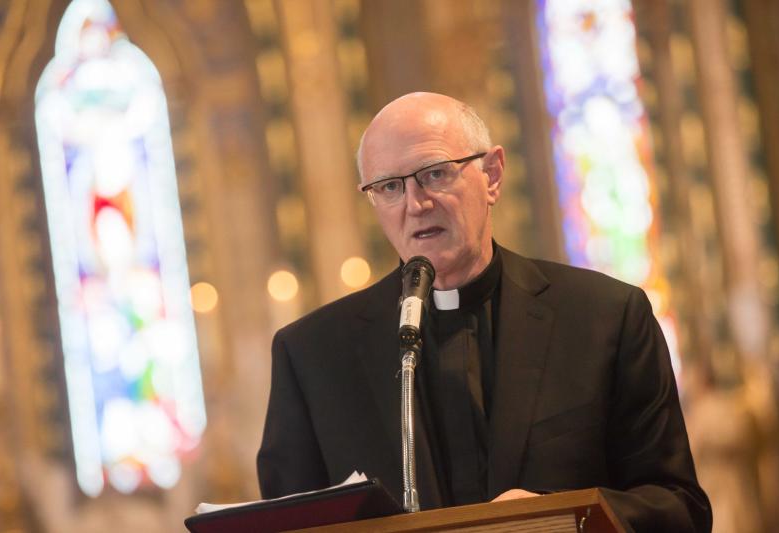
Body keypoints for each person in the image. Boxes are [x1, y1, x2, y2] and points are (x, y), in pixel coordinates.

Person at [257, 92, 712, 532]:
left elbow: (679, 507)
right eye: (390, 187)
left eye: (435, 174)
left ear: (491, 175)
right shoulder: (313, 356)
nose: (416, 204)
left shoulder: (605, 317)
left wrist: (561, 518)